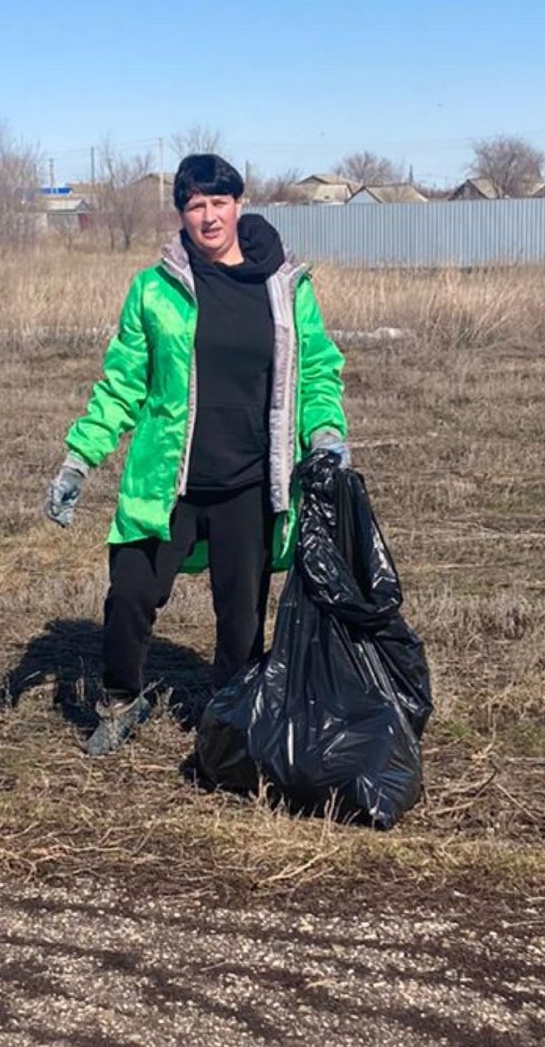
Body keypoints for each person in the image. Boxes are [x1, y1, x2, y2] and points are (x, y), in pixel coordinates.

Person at [44, 153, 350, 755]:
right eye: (194, 205)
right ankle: (121, 700)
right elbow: (122, 383)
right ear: (181, 213)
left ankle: (228, 722)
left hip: (251, 482)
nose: (208, 217)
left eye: (218, 203)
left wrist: (327, 434)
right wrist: (79, 459)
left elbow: (317, 371)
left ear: (240, 204)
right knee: (130, 593)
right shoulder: (154, 291)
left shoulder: (286, 286)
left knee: (240, 623)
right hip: (167, 482)